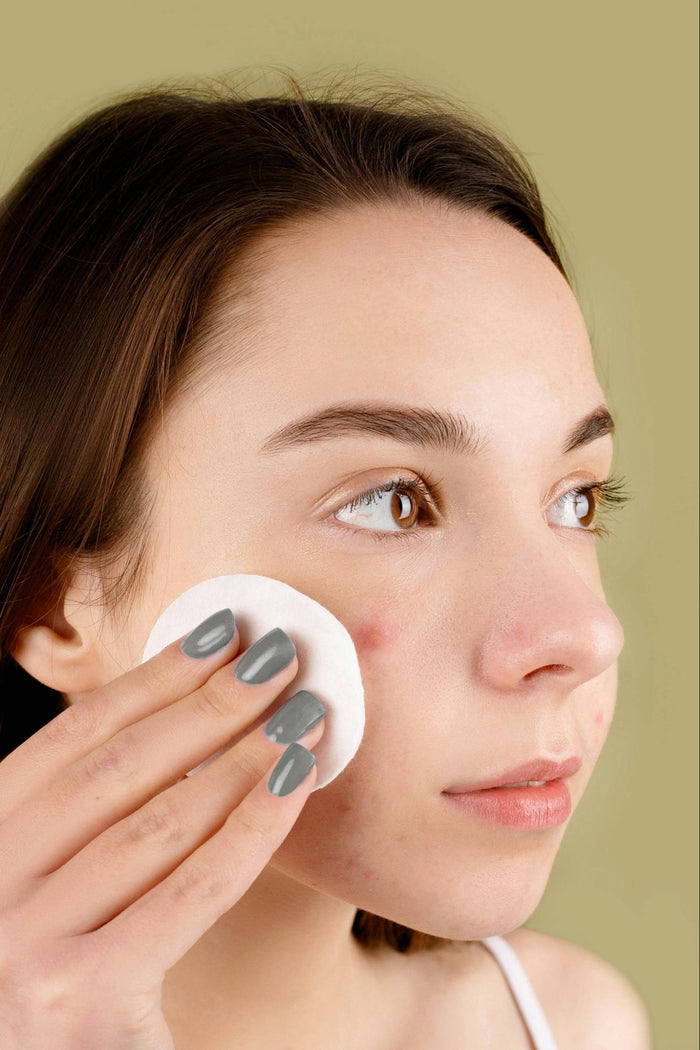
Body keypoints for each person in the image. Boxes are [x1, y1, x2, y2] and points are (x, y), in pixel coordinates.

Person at [0, 72, 653, 1049]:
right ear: (55, 605)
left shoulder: (575, 1024)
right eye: (394, 502)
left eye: (573, 498)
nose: (582, 635)